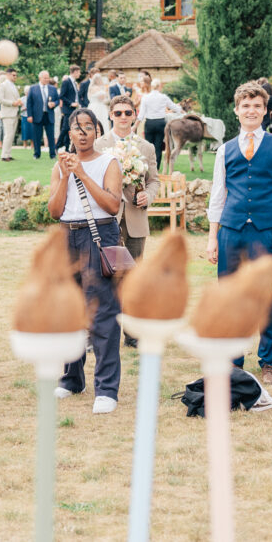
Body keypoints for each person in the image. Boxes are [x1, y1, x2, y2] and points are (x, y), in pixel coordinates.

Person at [206, 83, 272, 384]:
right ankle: (233, 361)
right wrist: (212, 237)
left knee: (264, 295)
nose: (251, 110)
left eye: (257, 106)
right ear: (236, 110)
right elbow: (218, 195)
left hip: (263, 229)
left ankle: (268, 361)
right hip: (231, 230)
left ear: (265, 110)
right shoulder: (225, 149)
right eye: (246, 105)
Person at [48, 108, 124, 414]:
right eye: (76, 128)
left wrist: (81, 173)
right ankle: (71, 378)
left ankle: (106, 388)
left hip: (99, 236)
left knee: (102, 313)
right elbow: (54, 210)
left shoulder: (109, 162)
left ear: (97, 132)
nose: (82, 133)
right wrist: (66, 175)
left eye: (88, 128)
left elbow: (112, 204)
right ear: (69, 134)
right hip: (68, 236)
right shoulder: (60, 165)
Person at [94, 95, 160, 347]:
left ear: (135, 116)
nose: (123, 117)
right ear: (110, 115)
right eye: (118, 112)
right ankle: (101, 330)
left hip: (134, 217)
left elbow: (154, 179)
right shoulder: (98, 145)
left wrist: (148, 195)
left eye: (128, 113)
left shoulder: (146, 147)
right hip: (105, 218)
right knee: (102, 275)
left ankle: (132, 334)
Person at [138, 78, 183, 169]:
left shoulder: (145, 97)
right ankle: (156, 169)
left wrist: (135, 125)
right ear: (159, 86)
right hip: (160, 123)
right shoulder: (163, 97)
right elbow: (175, 107)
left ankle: (147, 167)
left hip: (149, 123)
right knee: (158, 147)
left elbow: (141, 114)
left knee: (148, 147)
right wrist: (181, 110)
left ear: (152, 86)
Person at [26, 71, 60, 160]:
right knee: (37, 136)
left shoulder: (53, 88)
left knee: (51, 136)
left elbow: (58, 100)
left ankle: (52, 154)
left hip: (49, 115)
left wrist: (54, 103)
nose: (47, 79)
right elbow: (29, 103)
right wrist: (29, 115)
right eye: (45, 78)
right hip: (37, 115)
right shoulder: (33, 88)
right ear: (40, 78)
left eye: (48, 77)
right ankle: (37, 154)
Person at [0, 71, 22, 161]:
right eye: (13, 75)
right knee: (8, 135)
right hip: (7, 113)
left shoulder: (14, 86)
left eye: (16, 75)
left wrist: (19, 102)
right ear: (7, 75)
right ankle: (4, 155)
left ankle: (8, 154)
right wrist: (12, 103)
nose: (15, 77)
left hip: (15, 113)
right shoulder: (3, 85)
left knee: (11, 135)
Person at [56, 65, 82, 151]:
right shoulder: (66, 82)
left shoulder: (74, 82)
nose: (80, 74)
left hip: (73, 109)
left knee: (70, 128)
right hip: (68, 109)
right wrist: (71, 103)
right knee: (65, 128)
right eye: (78, 72)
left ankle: (67, 148)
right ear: (74, 72)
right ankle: (57, 146)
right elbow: (61, 96)